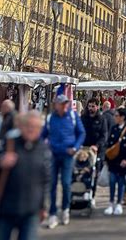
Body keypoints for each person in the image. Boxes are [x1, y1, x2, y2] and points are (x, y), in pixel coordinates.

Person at [0, 111, 50, 240]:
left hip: (31, 211)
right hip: (6, 208)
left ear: (40, 130)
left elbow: (45, 180)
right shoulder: (9, 144)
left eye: (35, 126)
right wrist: (1, 161)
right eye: (28, 125)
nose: (31, 129)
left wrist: (43, 206)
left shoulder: (44, 150)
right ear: (21, 127)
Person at [42, 95, 85, 229]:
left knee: (66, 183)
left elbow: (81, 133)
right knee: (52, 184)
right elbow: (43, 135)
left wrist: (75, 147)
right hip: (53, 155)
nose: (65, 106)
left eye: (66, 103)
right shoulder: (50, 118)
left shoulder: (73, 116)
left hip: (68, 155)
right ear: (56, 105)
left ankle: (65, 209)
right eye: (62, 103)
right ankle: (53, 213)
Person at [104, 107, 126, 215]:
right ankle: (111, 203)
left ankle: (119, 203)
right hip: (113, 160)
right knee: (112, 182)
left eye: (116, 116)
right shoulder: (114, 128)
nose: (114, 118)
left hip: (123, 161)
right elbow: (109, 144)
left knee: (121, 182)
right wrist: (106, 159)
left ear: (122, 117)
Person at [81, 97, 107, 205]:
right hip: (83, 150)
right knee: (82, 172)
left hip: (96, 151)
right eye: (89, 106)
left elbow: (104, 136)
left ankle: (92, 195)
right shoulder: (83, 118)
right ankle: (82, 192)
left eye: (93, 106)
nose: (91, 108)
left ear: (97, 106)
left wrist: (97, 146)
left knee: (94, 174)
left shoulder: (101, 119)